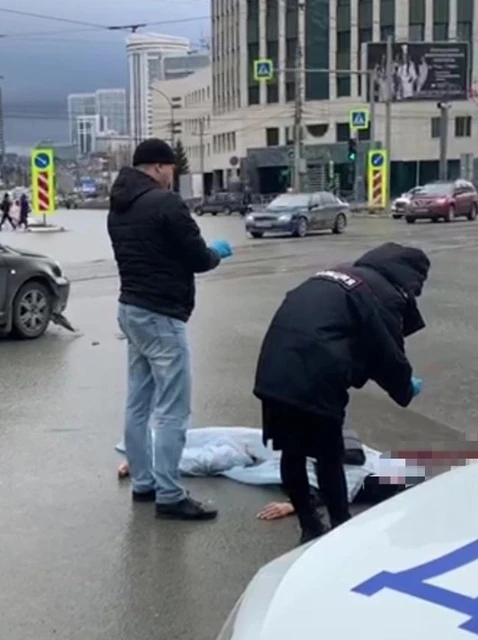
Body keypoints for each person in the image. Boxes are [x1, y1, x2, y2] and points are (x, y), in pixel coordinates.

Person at [253, 242, 430, 545]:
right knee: (328, 456)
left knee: (291, 451)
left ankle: (310, 526)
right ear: (408, 277)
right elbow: (386, 353)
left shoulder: (335, 275)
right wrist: (404, 386)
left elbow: (349, 337)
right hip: (316, 376)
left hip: (273, 369)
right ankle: (338, 530)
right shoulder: (380, 294)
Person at [108, 138, 233, 521]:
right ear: (160, 167)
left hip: (131, 309)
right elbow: (197, 258)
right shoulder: (166, 203)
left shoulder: (119, 206)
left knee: (138, 403)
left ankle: (144, 483)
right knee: (173, 409)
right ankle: (169, 494)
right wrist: (216, 253)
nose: (172, 177)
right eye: (171, 169)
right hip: (162, 315)